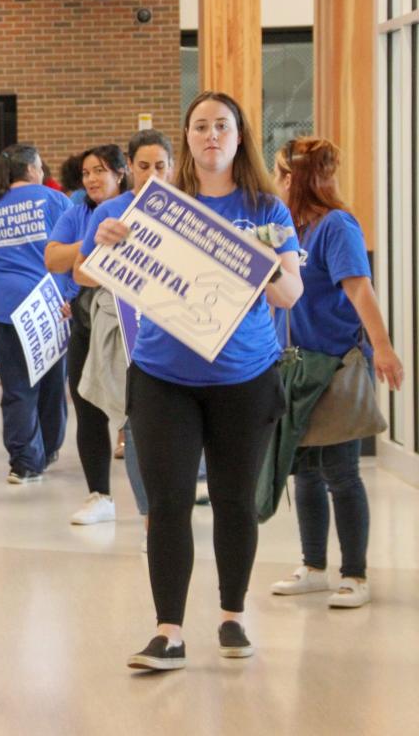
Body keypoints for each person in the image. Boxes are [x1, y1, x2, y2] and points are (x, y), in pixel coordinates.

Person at [92, 92, 303, 672]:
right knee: (168, 502)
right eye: (200, 126)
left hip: (244, 376)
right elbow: (97, 269)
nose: (211, 135)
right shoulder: (159, 204)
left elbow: (290, 294)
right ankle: (169, 631)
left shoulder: (268, 209)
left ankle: (232, 615)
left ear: (240, 138)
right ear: (186, 138)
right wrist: (110, 241)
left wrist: (252, 264)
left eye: (222, 126)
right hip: (164, 376)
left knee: (236, 501)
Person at [269, 137, 403, 608]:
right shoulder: (287, 230)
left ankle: (355, 575)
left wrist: (383, 349)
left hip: (336, 365)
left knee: (341, 472)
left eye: (279, 174)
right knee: (303, 471)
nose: (274, 182)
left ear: (294, 178)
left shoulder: (336, 226)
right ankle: (314, 566)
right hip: (296, 367)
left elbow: (359, 290)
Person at [73, 130, 176, 542]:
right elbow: (81, 271)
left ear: (172, 167)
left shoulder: (185, 209)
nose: (152, 174)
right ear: (129, 168)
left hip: (176, 332)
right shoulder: (110, 211)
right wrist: (108, 252)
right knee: (134, 425)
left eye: (161, 166)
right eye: (144, 166)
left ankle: (173, 510)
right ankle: (151, 521)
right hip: (128, 330)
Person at [0, 143, 71, 483]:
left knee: (17, 387)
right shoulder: (55, 200)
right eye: (41, 167)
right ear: (31, 169)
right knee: (52, 384)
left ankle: (23, 461)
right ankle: (48, 448)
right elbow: (74, 250)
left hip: (3, 308)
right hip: (47, 305)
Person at [46, 145, 128, 524]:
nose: (92, 179)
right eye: (86, 173)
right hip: (83, 318)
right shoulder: (76, 213)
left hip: (129, 320)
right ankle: (100, 494)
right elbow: (52, 258)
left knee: (141, 409)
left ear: (120, 173)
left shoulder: (135, 209)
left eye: (100, 171)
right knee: (87, 404)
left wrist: (80, 253)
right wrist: (95, 240)